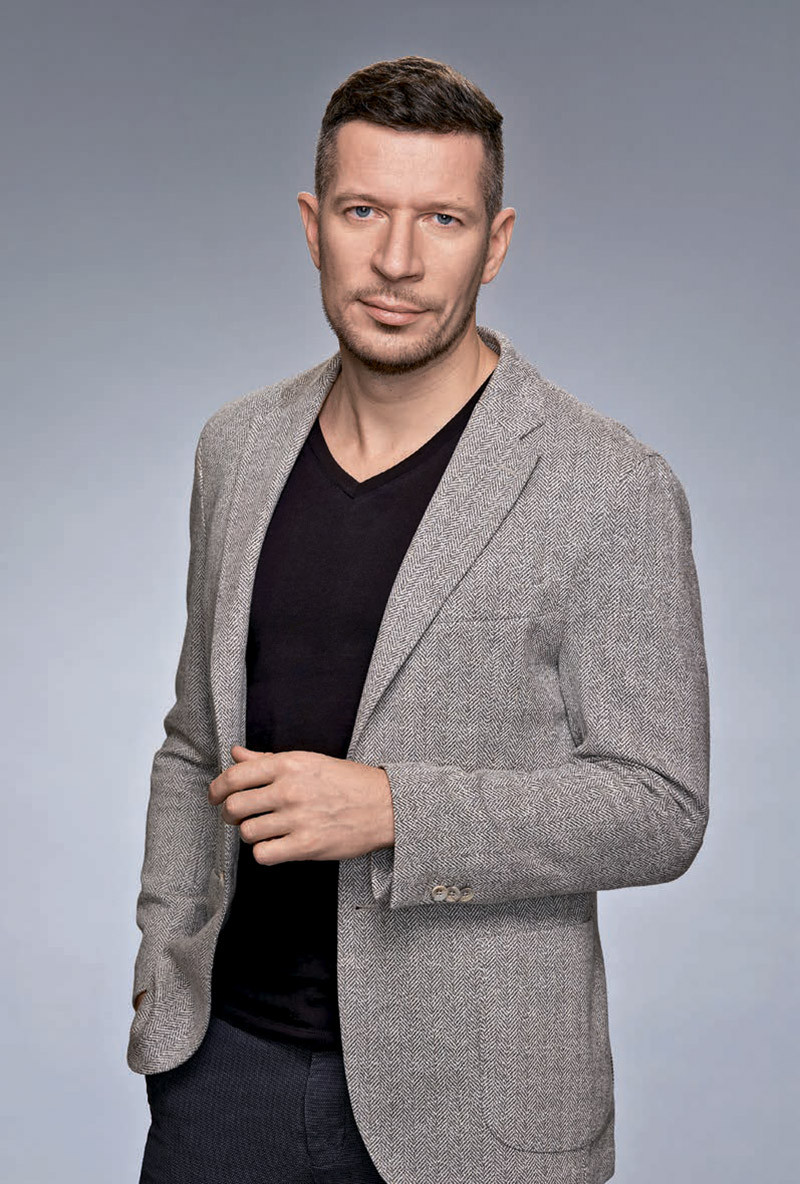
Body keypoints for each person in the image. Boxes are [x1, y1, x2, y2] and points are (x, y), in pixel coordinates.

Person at [128, 55, 710, 1184]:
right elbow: (194, 742)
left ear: (494, 243)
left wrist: (397, 808)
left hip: (478, 1108)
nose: (397, 259)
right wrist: (164, 969)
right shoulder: (236, 447)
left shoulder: (608, 485)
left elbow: (661, 804)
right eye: (364, 212)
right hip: (225, 1077)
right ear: (314, 227)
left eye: (441, 219)